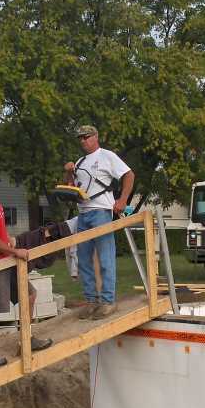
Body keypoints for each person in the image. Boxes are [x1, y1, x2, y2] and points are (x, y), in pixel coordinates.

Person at [0, 162, 53, 369]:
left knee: (29, 295)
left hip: (4, 259)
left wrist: (7, 239)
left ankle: (25, 340)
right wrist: (15, 251)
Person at [63, 125, 135, 320]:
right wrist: (69, 172)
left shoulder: (107, 156)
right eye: (80, 138)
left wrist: (122, 200)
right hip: (83, 214)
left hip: (102, 211)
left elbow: (129, 175)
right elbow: (70, 188)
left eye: (86, 137)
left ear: (96, 137)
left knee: (105, 258)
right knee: (84, 259)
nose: (83, 141)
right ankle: (92, 301)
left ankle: (108, 301)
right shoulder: (80, 161)